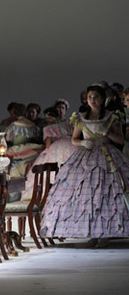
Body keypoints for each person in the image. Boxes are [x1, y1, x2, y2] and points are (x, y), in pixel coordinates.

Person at [41, 85, 129, 247]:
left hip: (107, 156)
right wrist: (82, 142)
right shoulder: (80, 117)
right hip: (86, 156)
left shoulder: (111, 117)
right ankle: (92, 233)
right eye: (90, 97)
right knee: (86, 195)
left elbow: (121, 140)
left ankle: (106, 233)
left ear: (102, 99)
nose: (92, 100)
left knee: (106, 194)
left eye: (95, 97)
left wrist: (108, 134)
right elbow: (74, 138)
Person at [22, 106, 76, 200]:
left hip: (57, 148)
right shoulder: (66, 125)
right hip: (72, 146)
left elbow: (48, 145)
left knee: (49, 167)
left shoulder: (49, 128)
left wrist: (45, 153)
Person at [5, 103, 44, 178]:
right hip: (29, 150)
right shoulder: (32, 125)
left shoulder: (14, 125)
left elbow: (8, 138)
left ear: (15, 114)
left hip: (17, 149)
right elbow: (36, 136)